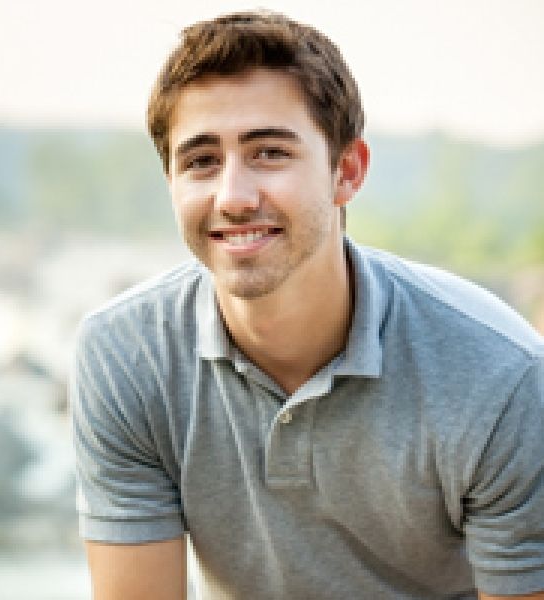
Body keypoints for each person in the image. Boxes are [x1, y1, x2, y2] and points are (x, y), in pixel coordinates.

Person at [69, 10, 544, 600]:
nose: (234, 197)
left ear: (347, 171)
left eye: (269, 153)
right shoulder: (124, 355)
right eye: (201, 161)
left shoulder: (499, 374)